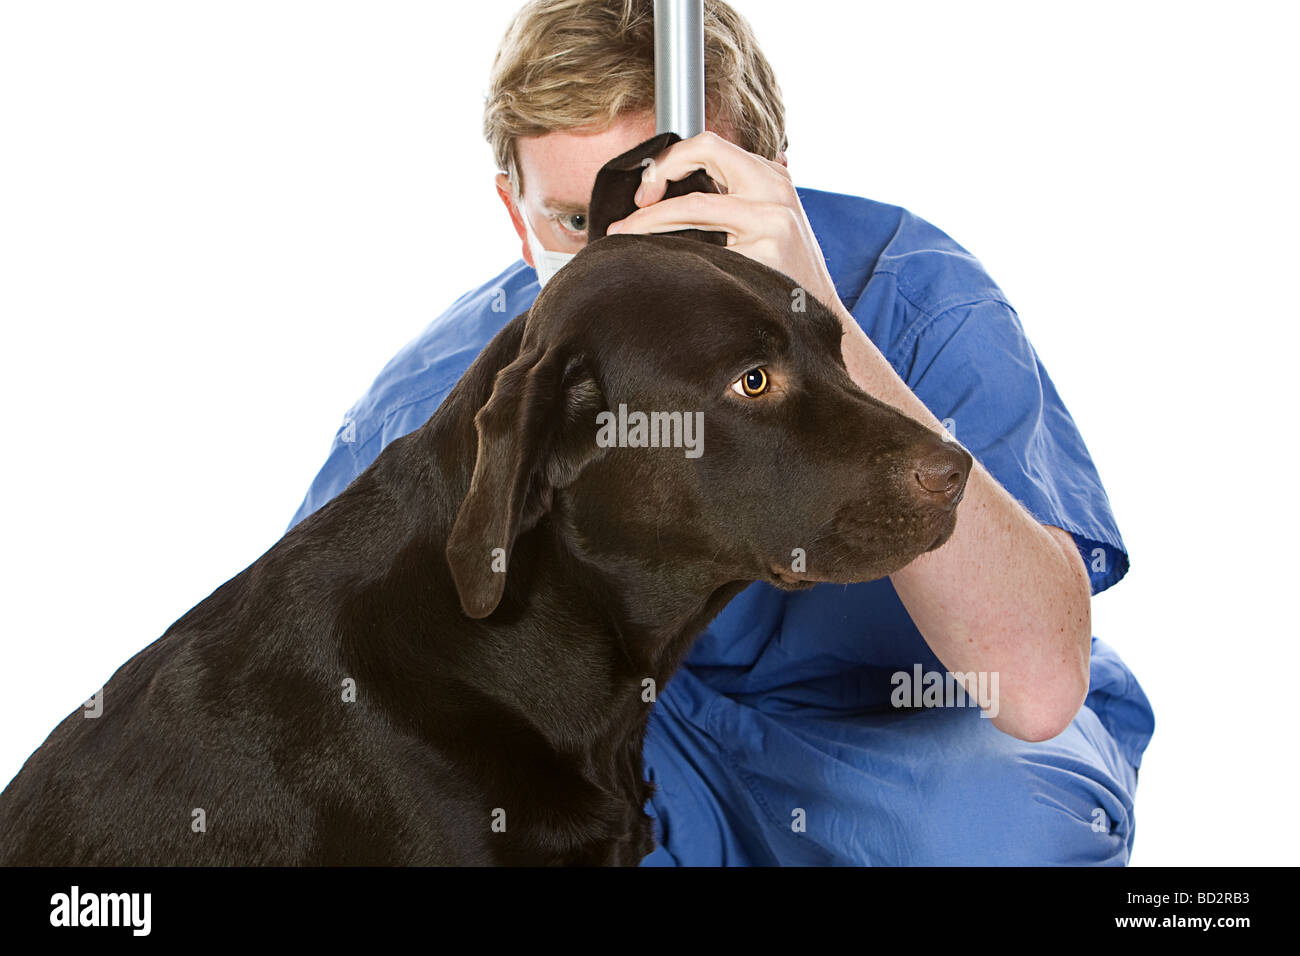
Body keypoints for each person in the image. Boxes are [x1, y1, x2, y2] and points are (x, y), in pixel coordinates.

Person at [287, 0, 1154, 865]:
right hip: (638, 748)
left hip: (908, 734)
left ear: (771, 177)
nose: (627, 257)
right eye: (579, 223)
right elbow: (318, 712)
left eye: (676, 200)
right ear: (517, 217)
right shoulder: (431, 408)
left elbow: (1037, 689)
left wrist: (819, 319)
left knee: (1014, 835)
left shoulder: (916, 300)